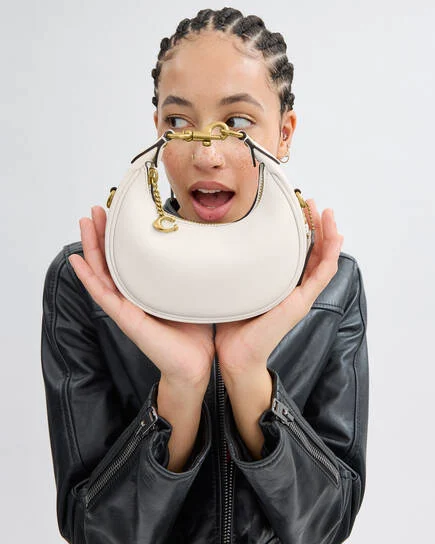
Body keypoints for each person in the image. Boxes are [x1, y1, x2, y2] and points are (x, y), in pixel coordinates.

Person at [41, 7, 369, 544]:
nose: (208, 154)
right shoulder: (87, 283)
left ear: (284, 133)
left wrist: (248, 374)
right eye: (178, 123)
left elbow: (326, 526)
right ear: (157, 133)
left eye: (237, 124)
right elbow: (95, 532)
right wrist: (181, 384)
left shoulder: (331, 284)